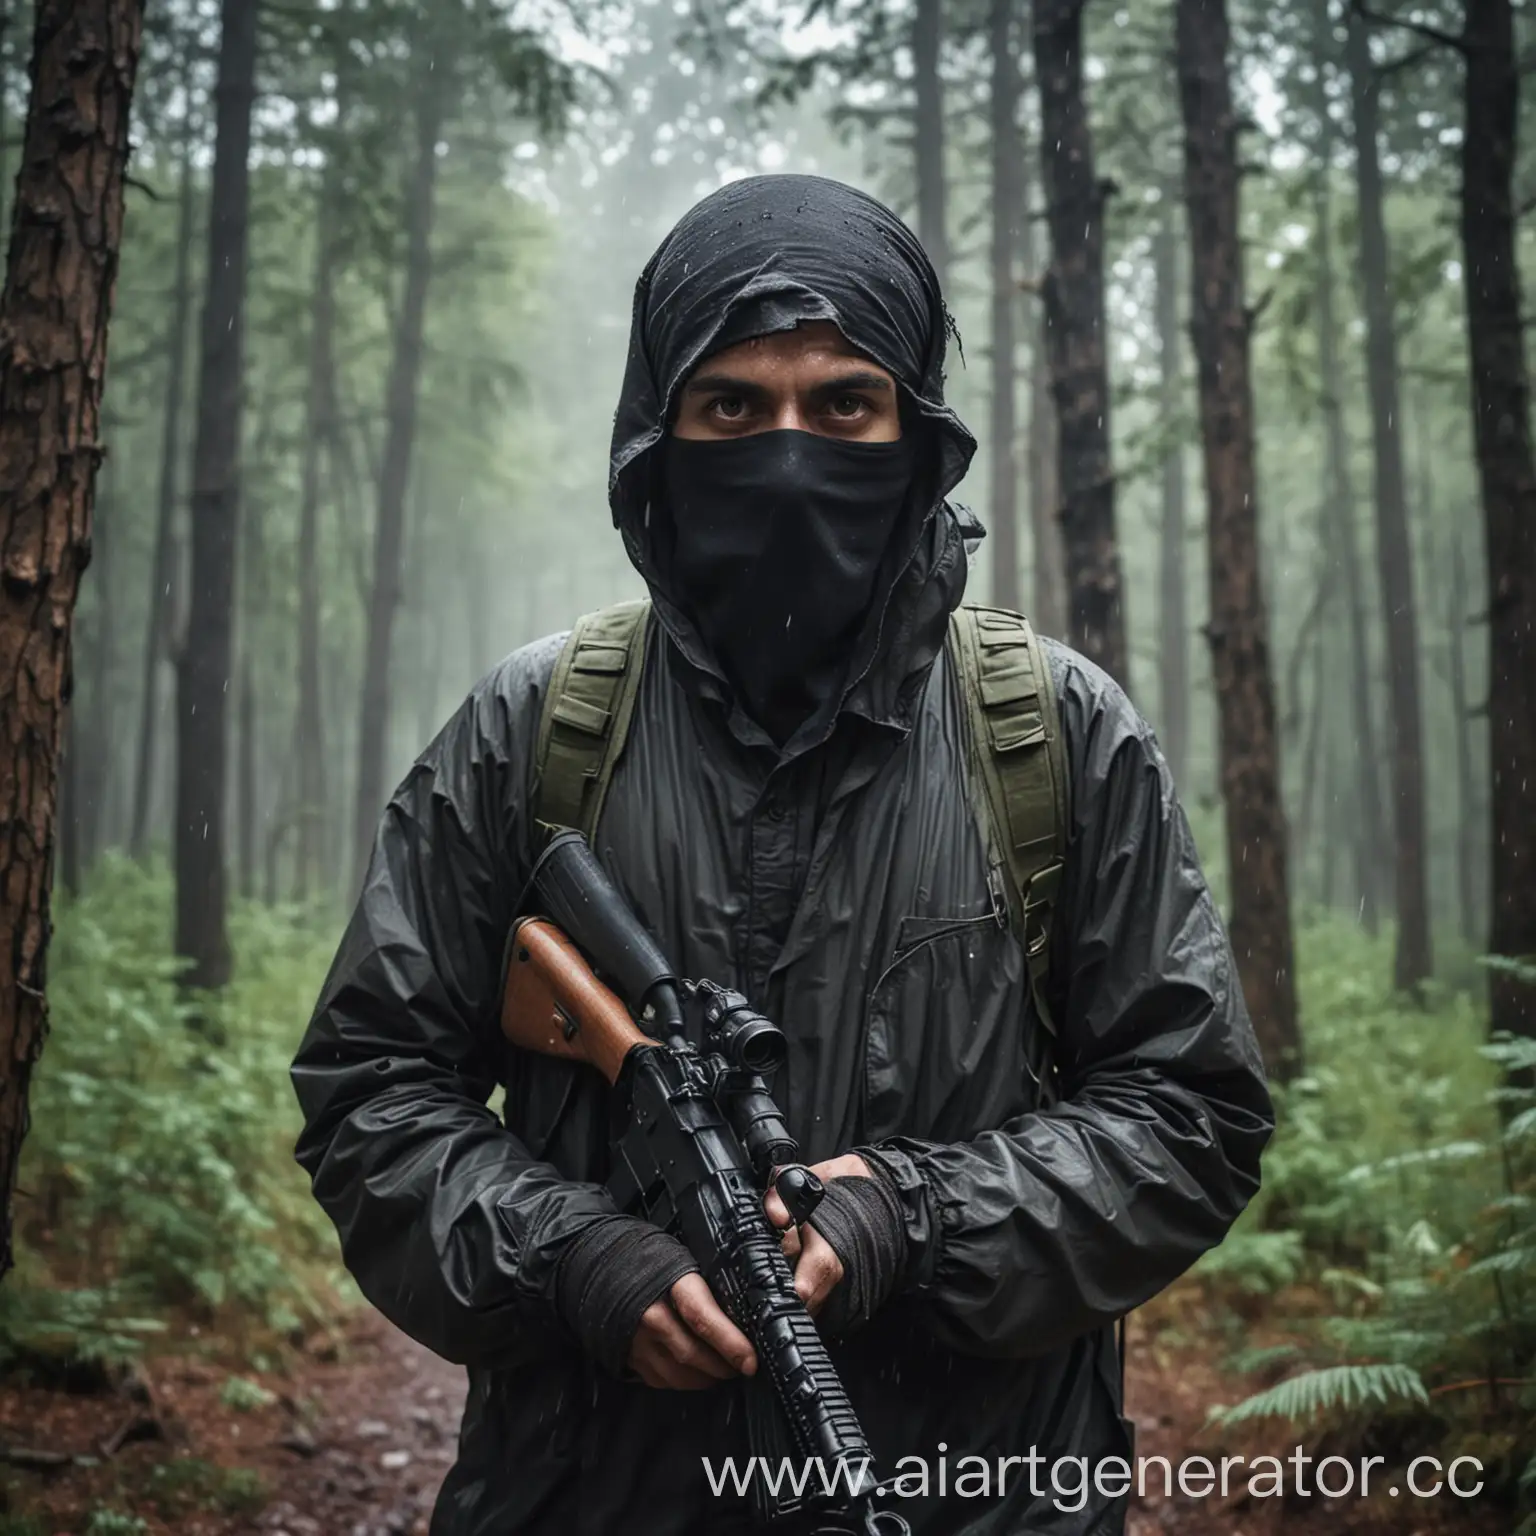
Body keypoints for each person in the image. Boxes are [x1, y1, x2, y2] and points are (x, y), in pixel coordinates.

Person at [292, 174, 1274, 1536]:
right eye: (734, 408)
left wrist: (914, 1217)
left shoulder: (1054, 734)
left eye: (845, 406)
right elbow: (370, 1094)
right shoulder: (537, 729)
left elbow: (1193, 1116)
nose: (791, 449)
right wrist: (576, 1259)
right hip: (589, 1496)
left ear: (916, 435)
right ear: (661, 434)